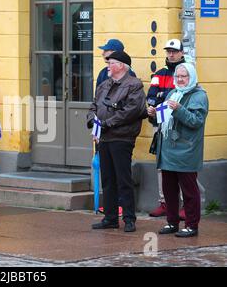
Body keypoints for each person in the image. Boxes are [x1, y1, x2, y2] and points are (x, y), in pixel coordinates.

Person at [87, 51, 147, 233]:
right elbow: (94, 106)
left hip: (122, 138)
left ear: (121, 65)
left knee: (123, 179)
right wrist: (93, 121)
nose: (107, 65)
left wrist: (106, 124)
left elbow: (131, 111)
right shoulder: (104, 84)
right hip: (104, 138)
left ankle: (129, 218)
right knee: (108, 179)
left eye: (111, 62)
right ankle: (110, 218)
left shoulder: (134, 85)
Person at [148, 62, 208, 237]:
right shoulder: (173, 93)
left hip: (186, 150)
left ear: (192, 77)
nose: (180, 79)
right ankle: (172, 222)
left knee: (189, 191)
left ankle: (191, 225)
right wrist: (154, 115)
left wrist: (179, 109)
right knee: (169, 190)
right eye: (178, 77)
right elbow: (164, 119)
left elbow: (195, 121)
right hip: (168, 150)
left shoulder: (199, 96)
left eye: (184, 76)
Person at [147, 39, 186, 219]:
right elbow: (152, 96)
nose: (171, 54)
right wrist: (153, 107)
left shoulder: (186, 73)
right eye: (168, 51)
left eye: (174, 51)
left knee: (183, 164)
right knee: (161, 166)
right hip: (161, 125)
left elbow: (186, 98)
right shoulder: (159, 74)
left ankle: (186, 204)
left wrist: (162, 99)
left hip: (180, 126)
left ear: (181, 53)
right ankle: (164, 202)